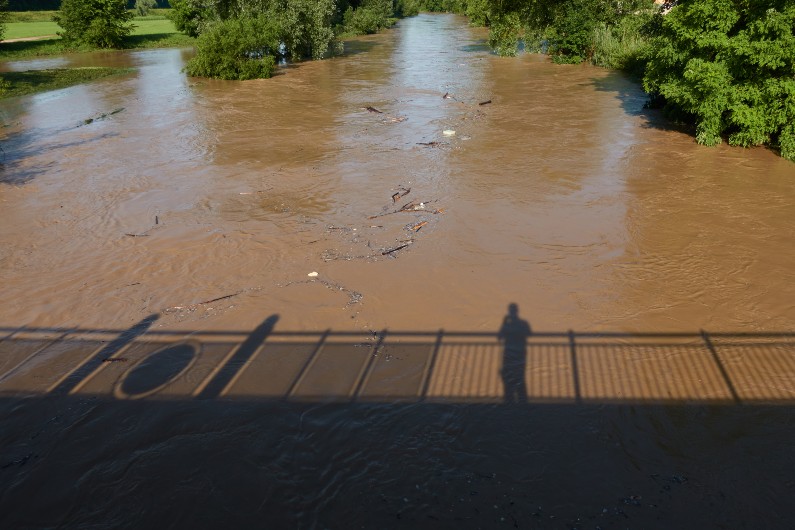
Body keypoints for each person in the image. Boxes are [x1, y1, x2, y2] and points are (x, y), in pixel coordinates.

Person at [498, 303, 531, 403]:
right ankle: (521, 401)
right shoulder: (522, 323)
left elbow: (499, 337)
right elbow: (529, 333)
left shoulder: (511, 325)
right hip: (518, 354)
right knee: (519, 378)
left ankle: (511, 401)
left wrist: (505, 323)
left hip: (510, 355)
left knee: (511, 379)